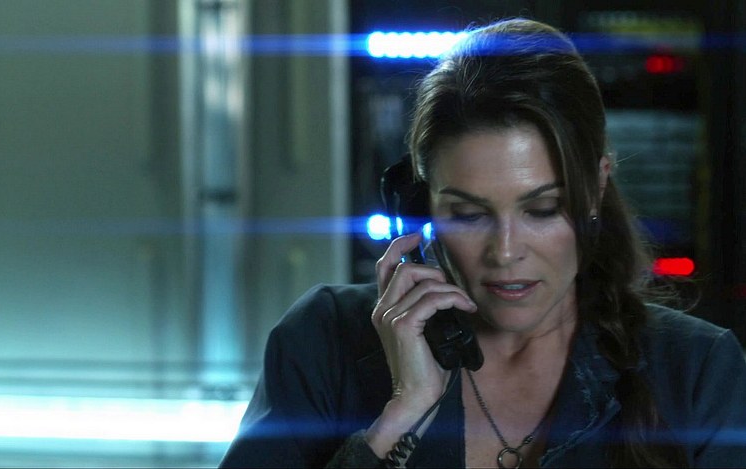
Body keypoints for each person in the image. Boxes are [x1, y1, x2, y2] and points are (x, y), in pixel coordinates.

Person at [219, 18, 746, 468]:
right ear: (420, 207)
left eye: (542, 209)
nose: (506, 251)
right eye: (469, 215)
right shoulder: (323, 341)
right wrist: (402, 416)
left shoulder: (697, 371)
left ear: (596, 189)